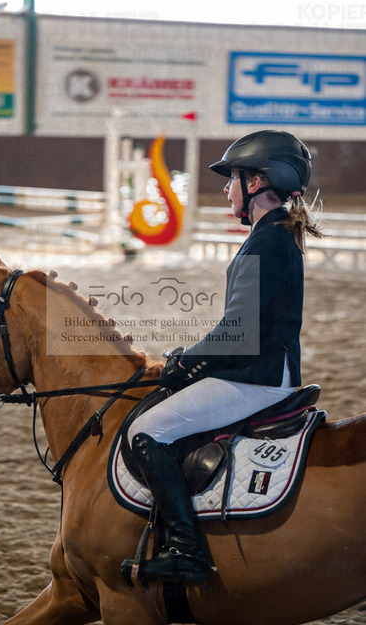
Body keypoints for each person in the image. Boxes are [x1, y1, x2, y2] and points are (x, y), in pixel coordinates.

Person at [122, 130, 323, 586]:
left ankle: (186, 550)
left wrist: (184, 365)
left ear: (256, 182)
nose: (226, 188)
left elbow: (235, 332)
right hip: (259, 371)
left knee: (145, 430)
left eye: (231, 179)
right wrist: (190, 358)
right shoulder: (273, 235)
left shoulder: (267, 241)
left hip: (255, 378)